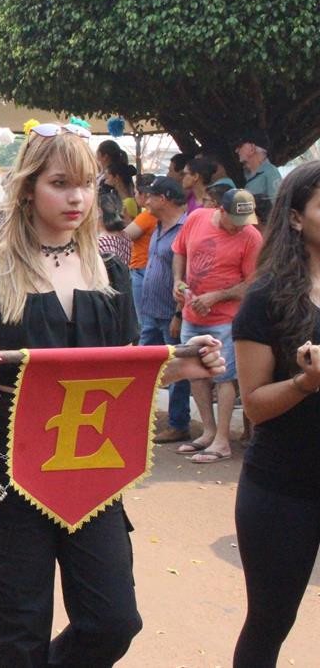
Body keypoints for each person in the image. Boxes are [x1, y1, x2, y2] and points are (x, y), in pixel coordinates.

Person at [0, 124, 224, 667]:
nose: (76, 198)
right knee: (18, 633)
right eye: (60, 183)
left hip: (92, 462)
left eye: (87, 184)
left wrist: (188, 365)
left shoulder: (110, 270)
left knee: (113, 621)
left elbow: (128, 378)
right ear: (28, 188)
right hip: (9, 464)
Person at [231, 161, 320, 667]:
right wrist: (306, 382)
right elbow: (257, 406)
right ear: (295, 219)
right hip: (283, 491)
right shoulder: (267, 300)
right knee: (270, 622)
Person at [171, 189, 263, 463]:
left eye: (244, 219)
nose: (240, 225)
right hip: (192, 314)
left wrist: (218, 296)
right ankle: (208, 432)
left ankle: (222, 439)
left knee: (224, 377)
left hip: (225, 318)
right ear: (220, 211)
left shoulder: (250, 236)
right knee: (196, 374)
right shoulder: (197, 218)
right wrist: (177, 281)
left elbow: (253, 283)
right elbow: (179, 251)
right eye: (235, 218)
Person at [139, 176, 192, 444]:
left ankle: (178, 423)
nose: (145, 200)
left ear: (164, 199)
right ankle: (140, 419)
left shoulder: (186, 228)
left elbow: (188, 276)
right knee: (143, 366)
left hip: (170, 312)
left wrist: (179, 313)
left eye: (151, 196)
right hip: (151, 311)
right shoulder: (158, 226)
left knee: (178, 370)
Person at [124, 174, 158, 327]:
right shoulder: (155, 215)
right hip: (150, 267)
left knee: (144, 320)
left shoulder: (147, 216)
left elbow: (126, 235)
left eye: (137, 193)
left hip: (141, 268)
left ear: (144, 195)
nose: (135, 196)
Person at [235, 129, 282, 204]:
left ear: (252, 148)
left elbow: (278, 207)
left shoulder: (271, 172)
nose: (236, 150)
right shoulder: (248, 175)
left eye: (240, 146)